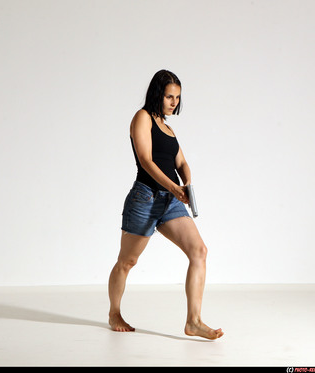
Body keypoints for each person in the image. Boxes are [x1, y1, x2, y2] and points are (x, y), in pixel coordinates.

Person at [108, 70, 223, 340]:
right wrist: (174, 187)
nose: (174, 102)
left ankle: (193, 321)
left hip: (171, 202)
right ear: (158, 94)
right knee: (127, 261)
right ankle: (114, 313)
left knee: (199, 251)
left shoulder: (168, 128)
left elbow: (181, 163)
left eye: (178, 97)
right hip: (145, 198)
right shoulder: (142, 118)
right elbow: (146, 160)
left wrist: (188, 185)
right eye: (169, 96)